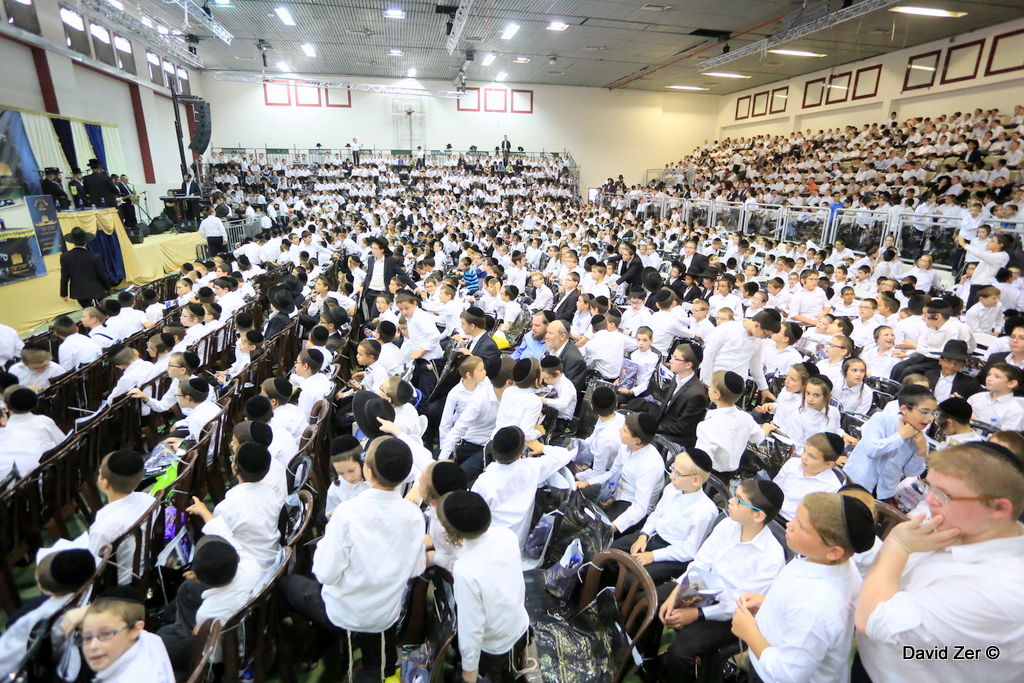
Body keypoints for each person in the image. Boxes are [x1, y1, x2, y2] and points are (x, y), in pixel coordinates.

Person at [855, 442, 1024, 682]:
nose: (930, 501)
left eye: (944, 495)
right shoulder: (963, 526)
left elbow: (871, 619)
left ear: (997, 508)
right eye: (929, 487)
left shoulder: (996, 591)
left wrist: (897, 546)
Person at [642, 479, 786, 682]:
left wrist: (697, 614)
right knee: (653, 602)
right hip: (706, 587)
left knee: (682, 650)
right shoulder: (728, 525)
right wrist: (675, 595)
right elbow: (700, 564)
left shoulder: (771, 556)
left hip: (734, 614)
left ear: (758, 515)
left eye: (739, 500)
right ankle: (647, 662)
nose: (730, 501)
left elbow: (738, 603)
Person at [732, 492, 874, 683]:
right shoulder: (824, 561)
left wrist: (749, 632)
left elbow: (787, 674)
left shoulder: (818, 606)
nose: (789, 525)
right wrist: (768, 603)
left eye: (801, 526)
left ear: (833, 551)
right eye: (795, 518)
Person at [440, 490, 530, 683]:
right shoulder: (507, 536)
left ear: (453, 534)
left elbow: (471, 627)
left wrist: (469, 671)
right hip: (519, 626)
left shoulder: (465, 571)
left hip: (493, 648)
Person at [156, 534, 262, 676]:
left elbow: (214, 657)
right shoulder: (252, 566)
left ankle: (177, 629)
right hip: (244, 615)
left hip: (226, 654)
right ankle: (176, 623)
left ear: (199, 578)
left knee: (161, 639)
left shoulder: (207, 614)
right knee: (187, 588)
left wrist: (198, 633)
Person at [612, 448, 720, 584]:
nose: (671, 476)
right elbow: (656, 515)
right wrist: (643, 535)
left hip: (673, 555)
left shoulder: (705, 511)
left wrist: (653, 556)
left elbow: (688, 550)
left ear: (696, 480)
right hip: (652, 537)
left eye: (678, 473)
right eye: (672, 469)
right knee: (611, 552)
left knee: (631, 580)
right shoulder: (672, 489)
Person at [185, 442, 283, 570]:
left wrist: (204, 512)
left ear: (235, 468)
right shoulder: (271, 493)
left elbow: (220, 538)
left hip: (251, 567)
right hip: (274, 557)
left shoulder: (228, 506)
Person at [472, 426, 574, 546]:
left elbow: (472, 520)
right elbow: (566, 454)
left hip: (487, 545)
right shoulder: (532, 468)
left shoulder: (483, 482)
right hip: (518, 544)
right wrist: (543, 448)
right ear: (520, 452)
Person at [844, 385, 936, 500]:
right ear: (904, 409)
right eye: (925, 412)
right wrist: (900, 436)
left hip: (884, 493)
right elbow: (872, 450)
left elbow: (910, 472)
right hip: (856, 483)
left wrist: (921, 452)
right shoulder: (881, 419)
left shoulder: (921, 439)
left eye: (933, 413)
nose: (930, 418)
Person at [65, 588, 175, 681]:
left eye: (106, 633)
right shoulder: (153, 639)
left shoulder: (135, 678)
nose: (93, 646)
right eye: (88, 637)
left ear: (135, 629)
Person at [84, 450, 157, 585]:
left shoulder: (104, 528)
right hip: (149, 568)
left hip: (121, 584)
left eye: (99, 473)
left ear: (104, 483)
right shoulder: (150, 500)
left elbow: (94, 570)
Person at [695, 370, 765, 474]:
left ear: (716, 395)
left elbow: (700, 461)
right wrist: (766, 428)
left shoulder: (707, 426)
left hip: (711, 477)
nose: (708, 388)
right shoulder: (746, 418)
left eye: (711, 386)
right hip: (733, 473)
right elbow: (758, 438)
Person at [772, 432, 845, 522]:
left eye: (812, 456)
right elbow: (774, 489)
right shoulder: (793, 463)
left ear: (828, 464)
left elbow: (817, 519)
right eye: (804, 451)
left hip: (793, 525)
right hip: (772, 512)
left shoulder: (832, 487)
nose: (803, 457)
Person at [59, 226, 109, 308]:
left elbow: (64, 277)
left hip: (78, 292)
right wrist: (107, 287)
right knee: (101, 311)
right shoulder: (95, 256)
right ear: (86, 241)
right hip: (96, 290)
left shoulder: (65, 257)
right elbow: (102, 275)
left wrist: (63, 293)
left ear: (72, 242)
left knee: (88, 310)